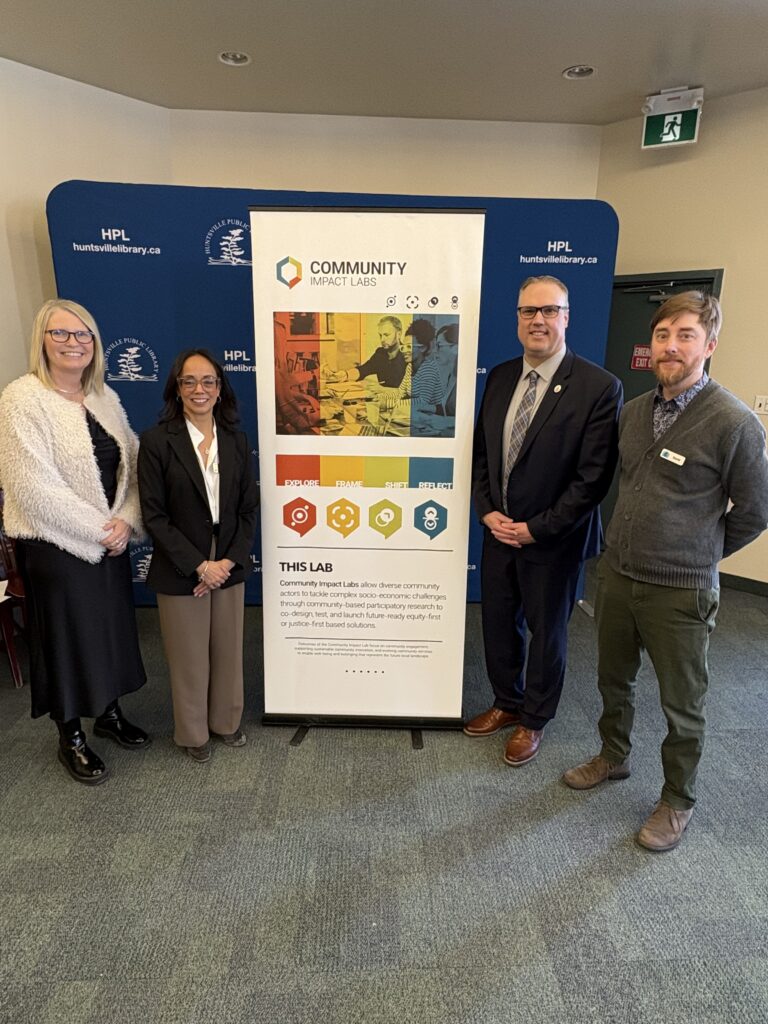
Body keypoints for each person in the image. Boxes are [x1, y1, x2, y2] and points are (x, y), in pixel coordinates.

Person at [563, 291, 768, 851]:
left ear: (709, 345)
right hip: (620, 576)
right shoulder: (633, 413)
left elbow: (753, 512)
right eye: (662, 335)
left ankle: (677, 800)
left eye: (685, 335)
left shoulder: (734, 423)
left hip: (681, 592)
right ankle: (613, 756)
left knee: (683, 703)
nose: (671, 346)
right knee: (612, 678)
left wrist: (699, 551)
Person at [467, 275, 622, 766]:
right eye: (528, 311)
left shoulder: (599, 387)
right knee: (497, 623)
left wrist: (537, 528)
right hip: (498, 531)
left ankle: (534, 720)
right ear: (517, 319)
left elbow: (592, 479)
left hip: (554, 540)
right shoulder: (500, 376)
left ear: (566, 317)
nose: (538, 320)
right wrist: (486, 509)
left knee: (547, 632)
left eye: (549, 311)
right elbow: (482, 456)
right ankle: (506, 703)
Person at [0, 299, 149, 785]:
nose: (73, 342)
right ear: (42, 340)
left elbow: (131, 466)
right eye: (60, 334)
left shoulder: (104, 397)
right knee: (65, 641)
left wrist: (126, 520)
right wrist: (99, 531)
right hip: (56, 545)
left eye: (83, 334)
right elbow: (32, 485)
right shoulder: (23, 398)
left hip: (109, 539)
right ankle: (71, 738)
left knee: (106, 631)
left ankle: (106, 713)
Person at [138, 349, 259, 763]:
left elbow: (247, 509)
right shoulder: (156, 442)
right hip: (181, 567)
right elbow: (153, 514)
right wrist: (198, 565)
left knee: (227, 651)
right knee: (189, 657)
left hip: (226, 564)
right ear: (177, 388)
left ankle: (226, 723)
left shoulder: (237, 441)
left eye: (208, 381)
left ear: (220, 389)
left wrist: (226, 562)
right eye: (189, 381)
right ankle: (192, 735)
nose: (199, 390)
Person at [325, 315, 407, 389]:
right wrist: (345, 374)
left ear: (399, 334)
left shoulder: (408, 355)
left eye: (386, 335)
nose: (382, 340)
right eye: (380, 335)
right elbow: (363, 370)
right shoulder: (380, 353)